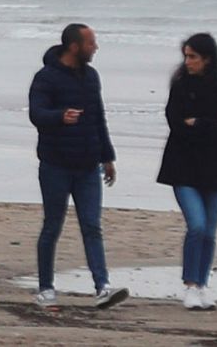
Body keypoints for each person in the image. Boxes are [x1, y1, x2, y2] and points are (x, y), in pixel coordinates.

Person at [28, 23, 129, 310]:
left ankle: (102, 287)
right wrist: (60, 116)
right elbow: (36, 113)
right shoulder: (46, 78)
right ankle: (46, 289)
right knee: (52, 226)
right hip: (55, 165)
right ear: (74, 46)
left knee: (92, 226)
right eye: (90, 43)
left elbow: (98, 117)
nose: (95, 47)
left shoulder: (91, 77)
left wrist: (107, 157)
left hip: (88, 166)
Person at [156, 33, 217, 311]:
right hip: (183, 166)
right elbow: (176, 124)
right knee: (198, 226)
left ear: (207, 59)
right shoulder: (180, 87)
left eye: (193, 57)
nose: (188, 62)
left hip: (216, 167)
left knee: (210, 232)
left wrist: (199, 123)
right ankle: (190, 285)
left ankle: (203, 285)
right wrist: (210, 124)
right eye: (186, 56)